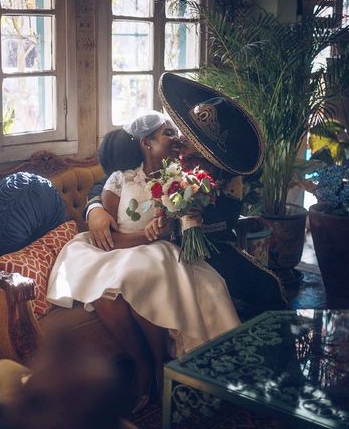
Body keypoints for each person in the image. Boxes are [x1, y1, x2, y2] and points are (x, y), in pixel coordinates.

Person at [46, 111, 241, 412]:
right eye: (169, 134)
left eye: (178, 134)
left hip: (164, 250)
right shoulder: (121, 179)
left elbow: (217, 213)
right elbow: (107, 235)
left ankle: (162, 366)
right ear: (146, 143)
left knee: (147, 276)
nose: (178, 139)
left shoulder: (183, 177)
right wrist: (101, 213)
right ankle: (144, 366)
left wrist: (178, 224)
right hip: (120, 249)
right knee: (106, 293)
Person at [86, 73, 287, 320]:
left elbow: (224, 223)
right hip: (162, 251)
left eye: (190, 136)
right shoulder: (168, 157)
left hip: (212, 249)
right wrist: (95, 209)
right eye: (185, 130)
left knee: (267, 289)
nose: (181, 138)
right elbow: (110, 181)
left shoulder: (229, 177)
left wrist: (180, 222)